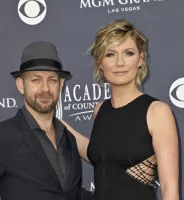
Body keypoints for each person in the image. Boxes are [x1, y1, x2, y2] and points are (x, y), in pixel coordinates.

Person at [62, 20, 179, 200]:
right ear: (100, 63)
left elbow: (169, 188)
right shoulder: (100, 109)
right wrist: (58, 125)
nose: (120, 63)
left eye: (128, 53)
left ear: (140, 59)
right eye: (110, 54)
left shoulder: (157, 112)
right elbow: (103, 156)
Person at [0, 41, 93, 200]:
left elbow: (72, 194)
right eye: (36, 80)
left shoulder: (68, 138)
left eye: (52, 80)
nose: (45, 89)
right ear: (21, 85)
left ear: (61, 85)